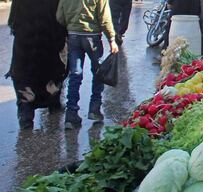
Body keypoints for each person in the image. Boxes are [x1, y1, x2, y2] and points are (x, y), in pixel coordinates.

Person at [57, 0, 119, 129]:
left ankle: (71, 114)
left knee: (75, 74)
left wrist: (72, 25)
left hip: (73, 36)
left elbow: (60, 17)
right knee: (98, 72)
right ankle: (94, 109)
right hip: (93, 36)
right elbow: (104, 18)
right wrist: (112, 39)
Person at [7, 0, 67, 129]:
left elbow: (13, 19)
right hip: (49, 38)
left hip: (25, 40)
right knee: (52, 73)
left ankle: (26, 114)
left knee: (25, 76)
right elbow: (61, 17)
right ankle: (53, 103)